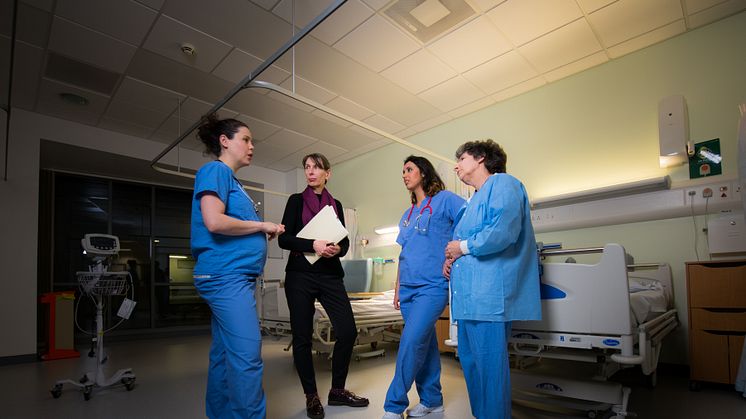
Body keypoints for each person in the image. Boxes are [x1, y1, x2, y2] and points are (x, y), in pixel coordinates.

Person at [190, 113, 285, 419]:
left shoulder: (232, 182)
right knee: (247, 356)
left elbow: (232, 225)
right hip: (225, 277)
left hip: (233, 277)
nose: (251, 146)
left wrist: (260, 231)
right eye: (245, 139)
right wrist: (260, 225)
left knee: (224, 356)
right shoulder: (215, 170)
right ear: (224, 141)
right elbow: (214, 221)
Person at [443, 139, 541, 419]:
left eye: (461, 158)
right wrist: (450, 261)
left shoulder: (503, 184)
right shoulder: (470, 202)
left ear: (480, 158)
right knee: (472, 365)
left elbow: (502, 232)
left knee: (490, 368)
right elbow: (462, 243)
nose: (456, 165)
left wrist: (460, 248)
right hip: (469, 299)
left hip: (488, 298)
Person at [278, 153, 369, 419]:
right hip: (300, 275)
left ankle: (337, 391)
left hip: (330, 274)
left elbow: (345, 242)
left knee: (348, 331)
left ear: (327, 173)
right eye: (306, 167)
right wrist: (313, 245)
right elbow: (284, 240)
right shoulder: (295, 201)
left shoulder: (336, 205)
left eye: (316, 167)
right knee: (302, 337)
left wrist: (338, 248)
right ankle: (311, 396)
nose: (310, 172)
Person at [382, 156, 465, 419]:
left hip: (432, 287)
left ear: (424, 172)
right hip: (407, 289)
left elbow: (468, 222)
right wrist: (397, 288)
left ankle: (393, 406)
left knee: (410, 342)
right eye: (402, 170)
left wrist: (454, 255)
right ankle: (432, 400)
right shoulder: (406, 216)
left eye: (409, 169)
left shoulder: (445, 200)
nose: (404, 175)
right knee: (425, 346)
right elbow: (403, 254)